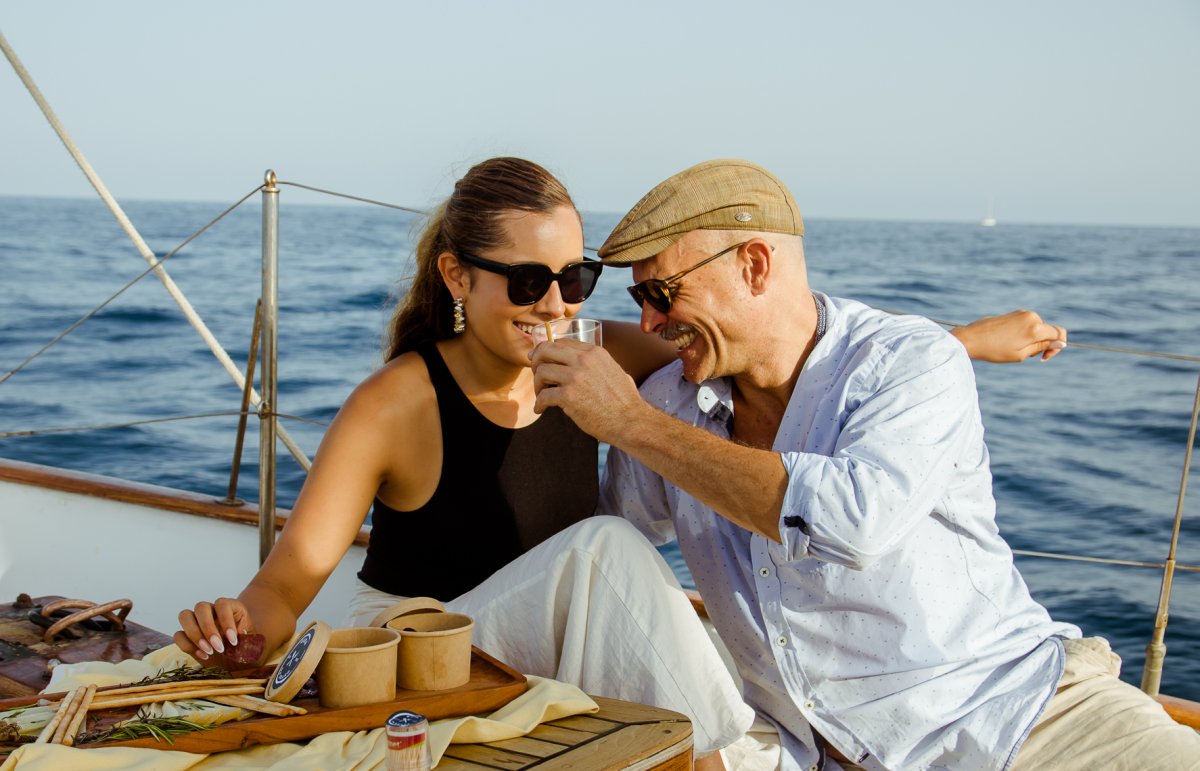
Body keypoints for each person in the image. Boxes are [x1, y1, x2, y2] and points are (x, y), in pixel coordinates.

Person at [176, 157, 1072, 769]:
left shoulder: (597, 352)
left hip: (555, 648)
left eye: (578, 278)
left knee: (639, 584)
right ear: (457, 278)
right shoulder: (397, 402)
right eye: (527, 283)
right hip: (439, 645)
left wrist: (957, 344)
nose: (556, 305)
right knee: (608, 549)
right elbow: (289, 581)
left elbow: (771, 362)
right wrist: (237, 626)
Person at [529, 159, 1200, 771]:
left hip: (1021, 724)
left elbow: (849, 520)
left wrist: (628, 422)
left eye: (663, 293)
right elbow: (605, 546)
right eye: (637, 300)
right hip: (807, 751)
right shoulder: (672, 406)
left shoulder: (912, 362)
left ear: (755, 266)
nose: (647, 324)